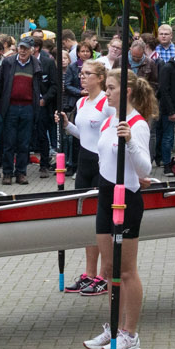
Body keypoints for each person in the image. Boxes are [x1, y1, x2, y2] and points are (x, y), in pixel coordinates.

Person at [84, 73, 157, 349]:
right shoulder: (108, 120)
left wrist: (130, 144)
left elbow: (145, 168)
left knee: (126, 270)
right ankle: (113, 325)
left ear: (126, 91)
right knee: (108, 270)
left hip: (126, 199)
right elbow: (105, 158)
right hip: (105, 194)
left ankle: (130, 332)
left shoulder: (136, 124)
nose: (107, 94)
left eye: (111, 88)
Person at [66, 61, 115, 296]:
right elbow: (82, 133)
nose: (82, 77)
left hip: (100, 165)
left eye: (87, 74)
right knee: (86, 219)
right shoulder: (81, 101)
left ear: (100, 77)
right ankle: (89, 273)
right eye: (81, 73)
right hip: (83, 163)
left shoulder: (107, 103)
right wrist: (67, 125)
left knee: (101, 222)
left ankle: (104, 275)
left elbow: (113, 131)